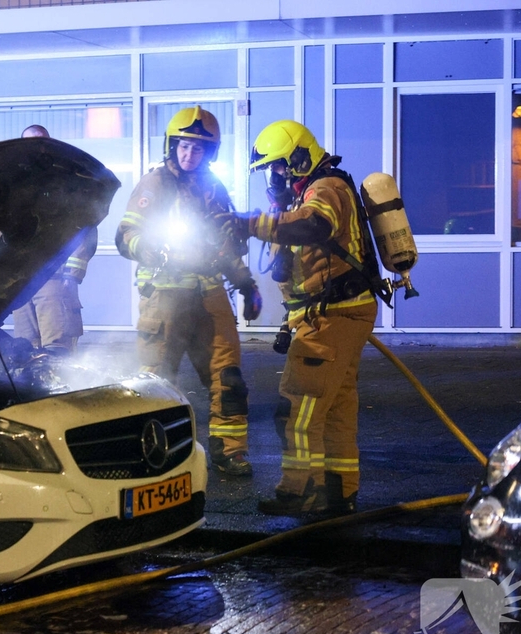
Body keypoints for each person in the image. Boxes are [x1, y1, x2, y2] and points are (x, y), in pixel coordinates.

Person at [116, 105, 262, 478]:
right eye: (183, 146)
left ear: (208, 152)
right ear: (172, 146)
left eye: (197, 148)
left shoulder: (213, 188)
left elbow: (224, 243)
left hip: (210, 294)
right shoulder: (154, 183)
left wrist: (246, 284)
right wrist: (145, 247)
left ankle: (231, 451)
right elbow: (126, 234)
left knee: (228, 378)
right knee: (156, 382)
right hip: (164, 296)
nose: (189, 154)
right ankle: (154, 455)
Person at [245, 119, 382, 516]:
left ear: (300, 158)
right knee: (335, 408)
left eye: (279, 166)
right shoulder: (308, 194)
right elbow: (290, 266)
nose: (275, 176)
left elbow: (313, 225)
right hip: (337, 313)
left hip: (329, 318)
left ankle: (300, 491)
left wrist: (252, 223)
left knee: (298, 408)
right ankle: (338, 493)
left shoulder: (325, 189)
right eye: (270, 170)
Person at [11, 124, 98, 353]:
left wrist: (72, 274)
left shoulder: (67, 181)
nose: (36, 148)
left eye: (41, 142)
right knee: (24, 350)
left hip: (55, 280)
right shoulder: (14, 184)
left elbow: (85, 227)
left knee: (57, 349)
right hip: (21, 284)